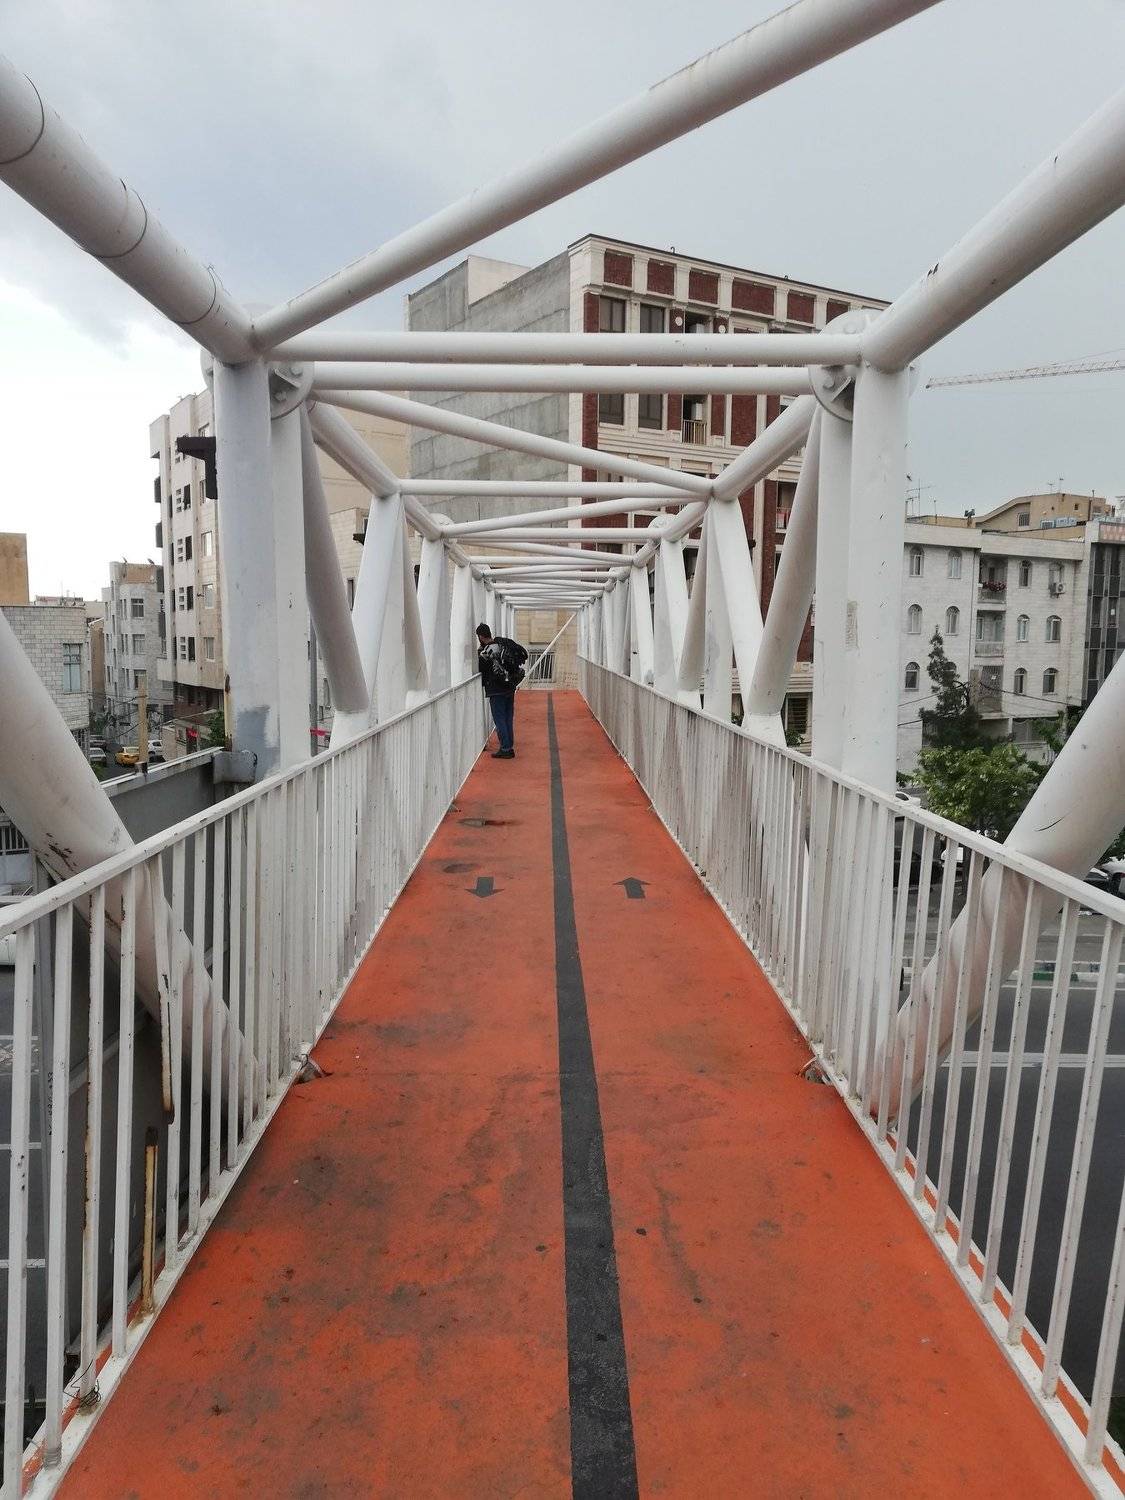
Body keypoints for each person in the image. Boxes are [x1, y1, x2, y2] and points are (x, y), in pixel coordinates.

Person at [476, 623, 527, 759]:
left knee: (499, 719)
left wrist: (479, 652)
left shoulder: (486, 651)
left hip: (496, 690)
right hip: (509, 687)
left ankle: (505, 748)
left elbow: (481, 668)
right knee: (508, 718)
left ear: (480, 636)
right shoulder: (501, 645)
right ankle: (509, 746)